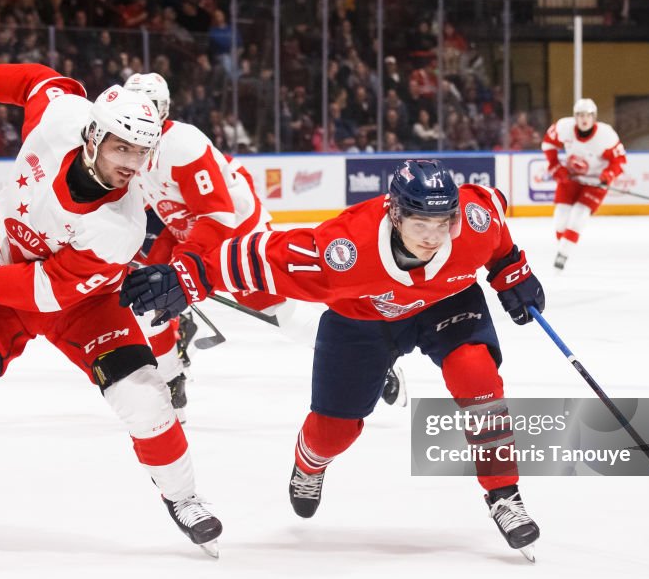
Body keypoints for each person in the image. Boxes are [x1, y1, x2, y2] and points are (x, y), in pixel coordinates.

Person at [119, 159, 545, 558]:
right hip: (362, 317)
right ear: (395, 215)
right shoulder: (343, 250)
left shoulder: (471, 222)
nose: (433, 237)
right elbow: (265, 256)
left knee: (478, 378)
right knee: (334, 432)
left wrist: (513, 271)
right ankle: (310, 463)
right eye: (420, 223)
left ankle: (504, 495)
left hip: (446, 303)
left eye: (442, 223)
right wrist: (192, 275)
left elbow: (493, 216)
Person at [0, 56, 222, 557]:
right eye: (122, 147)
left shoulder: (119, 227)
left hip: (82, 302)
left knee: (146, 397)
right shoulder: (61, 119)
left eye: (143, 152)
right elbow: (41, 81)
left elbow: (48, 291)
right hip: (3, 275)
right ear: (94, 137)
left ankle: (184, 497)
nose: (132, 162)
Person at [124, 72, 404, 411]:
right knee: (148, 292)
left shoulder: (181, 145)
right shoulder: (134, 152)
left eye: (148, 108)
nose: (139, 121)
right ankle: (172, 370)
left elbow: (219, 215)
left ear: (163, 109)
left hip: (238, 230)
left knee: (275, 309)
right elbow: (157, 208)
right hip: (188, 228)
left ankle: (365, 354)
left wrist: (185, 271)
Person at [542, 98, 627, 270]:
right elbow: (548, 143)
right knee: (560, 220)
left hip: (595, 182)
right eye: (580, 115)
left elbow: (620, 160)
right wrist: (555, 167)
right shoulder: (564, 128)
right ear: (575, 116)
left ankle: (563, 253)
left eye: (588, 115)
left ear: (594, 117)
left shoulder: (606, 135)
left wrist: (608, 175)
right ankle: (563, 246)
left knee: (579, 215)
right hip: (571, 178)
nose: (584, 119)